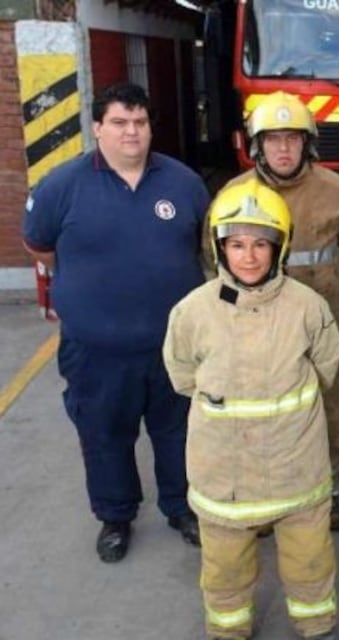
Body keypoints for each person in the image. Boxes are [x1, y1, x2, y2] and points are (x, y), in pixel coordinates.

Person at [21, 82, 207, 563]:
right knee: (104, 434)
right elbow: (38, 245)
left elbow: (203, 247)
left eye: (140, 122)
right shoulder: (62, 186)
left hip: (174, 348)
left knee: (178, 432)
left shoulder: (184, 183)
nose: (132, 132)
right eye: (120, 122)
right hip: (95, 350)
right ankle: (115, 516)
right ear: (98, 127)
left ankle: (181, 508)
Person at [163, 179, 339, 640]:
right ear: (218, 248)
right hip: (225, 479)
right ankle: (228, 632)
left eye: (261, 244)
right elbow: (182, 375)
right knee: (225, 572)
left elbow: (326, 366)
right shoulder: (192, 312)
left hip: (296, 475)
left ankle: (317, 626)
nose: (248, 256)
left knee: (310, 562)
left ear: (279, 247)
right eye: (236, 244)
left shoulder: (308, 308)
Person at [221, 90, 339, 531]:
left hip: (320, 333)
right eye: (273, 139)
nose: (283, 148)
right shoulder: (235, 195)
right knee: (262, 417)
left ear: (308, 143)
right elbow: (219, 269)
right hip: (257, 336)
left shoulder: (335, 189)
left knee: (325, 414)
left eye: (292, 138)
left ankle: (328, 496)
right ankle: (266, 502)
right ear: (256, 145)